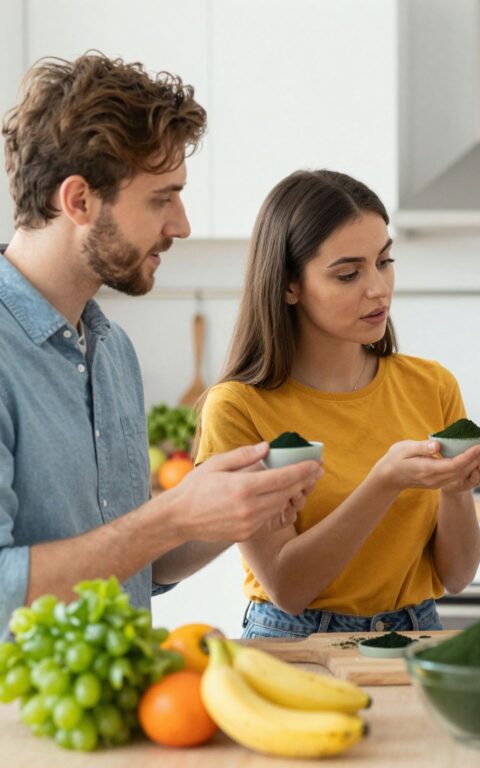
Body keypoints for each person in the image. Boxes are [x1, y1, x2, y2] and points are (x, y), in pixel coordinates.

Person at [0, 54, 321, 630]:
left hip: (115, 704)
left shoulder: (111, 350)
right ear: (78, 201)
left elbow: (129, 566)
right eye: (160, 198)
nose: (182, 225)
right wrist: (170, 516)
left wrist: (230, 513)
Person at [194, 170, 480, 638]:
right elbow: (288, 587)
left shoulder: (432, 385)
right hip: (297, 639)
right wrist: (386, 481)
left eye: (384, 261)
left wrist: (456, 486)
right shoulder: (238, 408)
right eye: (348, 273)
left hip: (417, 631)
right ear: (289, 285)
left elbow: (457, 576)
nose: (378, 288)